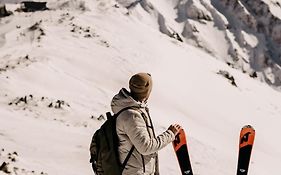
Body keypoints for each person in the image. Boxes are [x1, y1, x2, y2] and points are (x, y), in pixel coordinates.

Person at [111, 72, 182, 175]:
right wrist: (170, 134)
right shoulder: (132, 116)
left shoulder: (135, 110)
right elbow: (145, 147)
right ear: (147, 91)